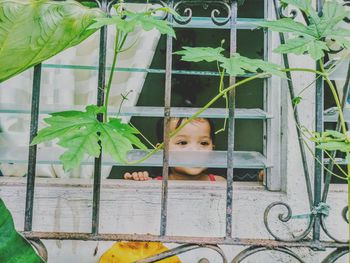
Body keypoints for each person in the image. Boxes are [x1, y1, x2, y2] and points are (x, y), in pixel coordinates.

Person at [124, 117, 225, 181]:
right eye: (182, 142)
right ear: (161, 150)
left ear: (213, 149)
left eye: (204, 143)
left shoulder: (219, 183)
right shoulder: (155, 185)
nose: (195, 150)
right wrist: (137, 182)